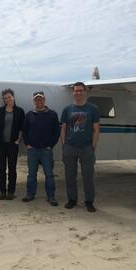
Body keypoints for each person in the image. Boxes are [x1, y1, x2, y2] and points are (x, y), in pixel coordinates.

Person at [60, 82, 100, 212]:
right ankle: (72, 199)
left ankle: (89, 201)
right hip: (70, 147)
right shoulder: (67, 109)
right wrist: (64, 145)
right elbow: (64, 129)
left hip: (86, 148)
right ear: (73, 93)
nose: (78, 93)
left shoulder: (93, 108)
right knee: (70, 176)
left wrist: (92, 147)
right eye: (76, 91)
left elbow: (96, 129)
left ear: (85, 92)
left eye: (80, 90)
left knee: (88, 176)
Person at [22, 92, 60, 206]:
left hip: (46, 150)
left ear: (44, 100)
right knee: (31, 174)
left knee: (49, 174)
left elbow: (56, 132)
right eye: (37, 99)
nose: (39, 101)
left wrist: (51, 145)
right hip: (32, 150)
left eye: (41, 99)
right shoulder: (29, 114)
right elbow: (25, 131)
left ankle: (51, 197)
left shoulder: (52, 114)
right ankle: (30, 194)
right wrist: (27, 144)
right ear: (34, 101)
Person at [0, 89, 25, 200]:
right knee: (1, 169)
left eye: (9, 97)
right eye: (5, 98)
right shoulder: (0, 111)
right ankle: (2, 191)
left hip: (12, 144)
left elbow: (21, 128)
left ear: (13, 97)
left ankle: (11, 191)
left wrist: (18, 140)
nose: (7, 99)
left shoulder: (20, 111)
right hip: (0, 144)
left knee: (12, 168)